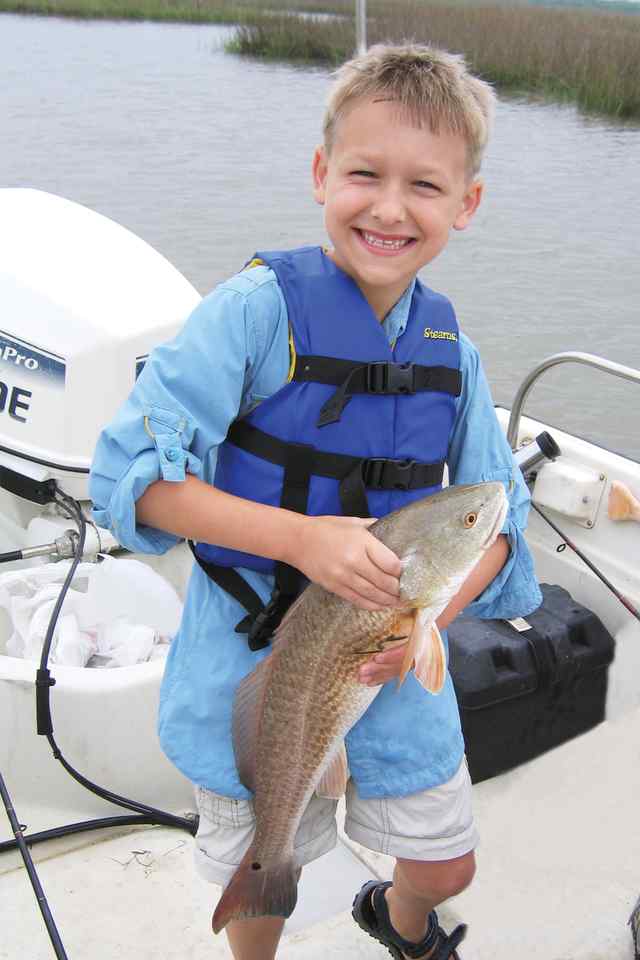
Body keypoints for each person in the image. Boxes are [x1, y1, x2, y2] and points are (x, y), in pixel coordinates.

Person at [90, 43, 541, 960]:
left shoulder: (453, 353)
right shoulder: (252, 313)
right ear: (319, 173)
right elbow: (127, 476)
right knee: (265, 878)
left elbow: (502, 525)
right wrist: (299, 539)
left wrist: (423, 623)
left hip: (392, 656)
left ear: (468, 204)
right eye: (364, 174)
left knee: (448, 863)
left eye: (425, 186)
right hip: (256, 649)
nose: (388, 207)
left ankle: (401, 919)